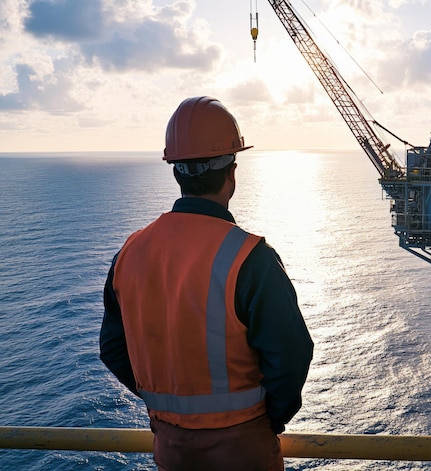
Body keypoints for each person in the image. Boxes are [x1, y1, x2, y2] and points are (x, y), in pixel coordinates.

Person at [99, 96, 314, 471]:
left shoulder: (130, 253)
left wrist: (164, 405)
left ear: (176, 172)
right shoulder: (250, 258)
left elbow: (114, 348)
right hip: (245, 452)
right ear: (232, 174)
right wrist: (269, 420)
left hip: (172, 449)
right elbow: (292, 355)